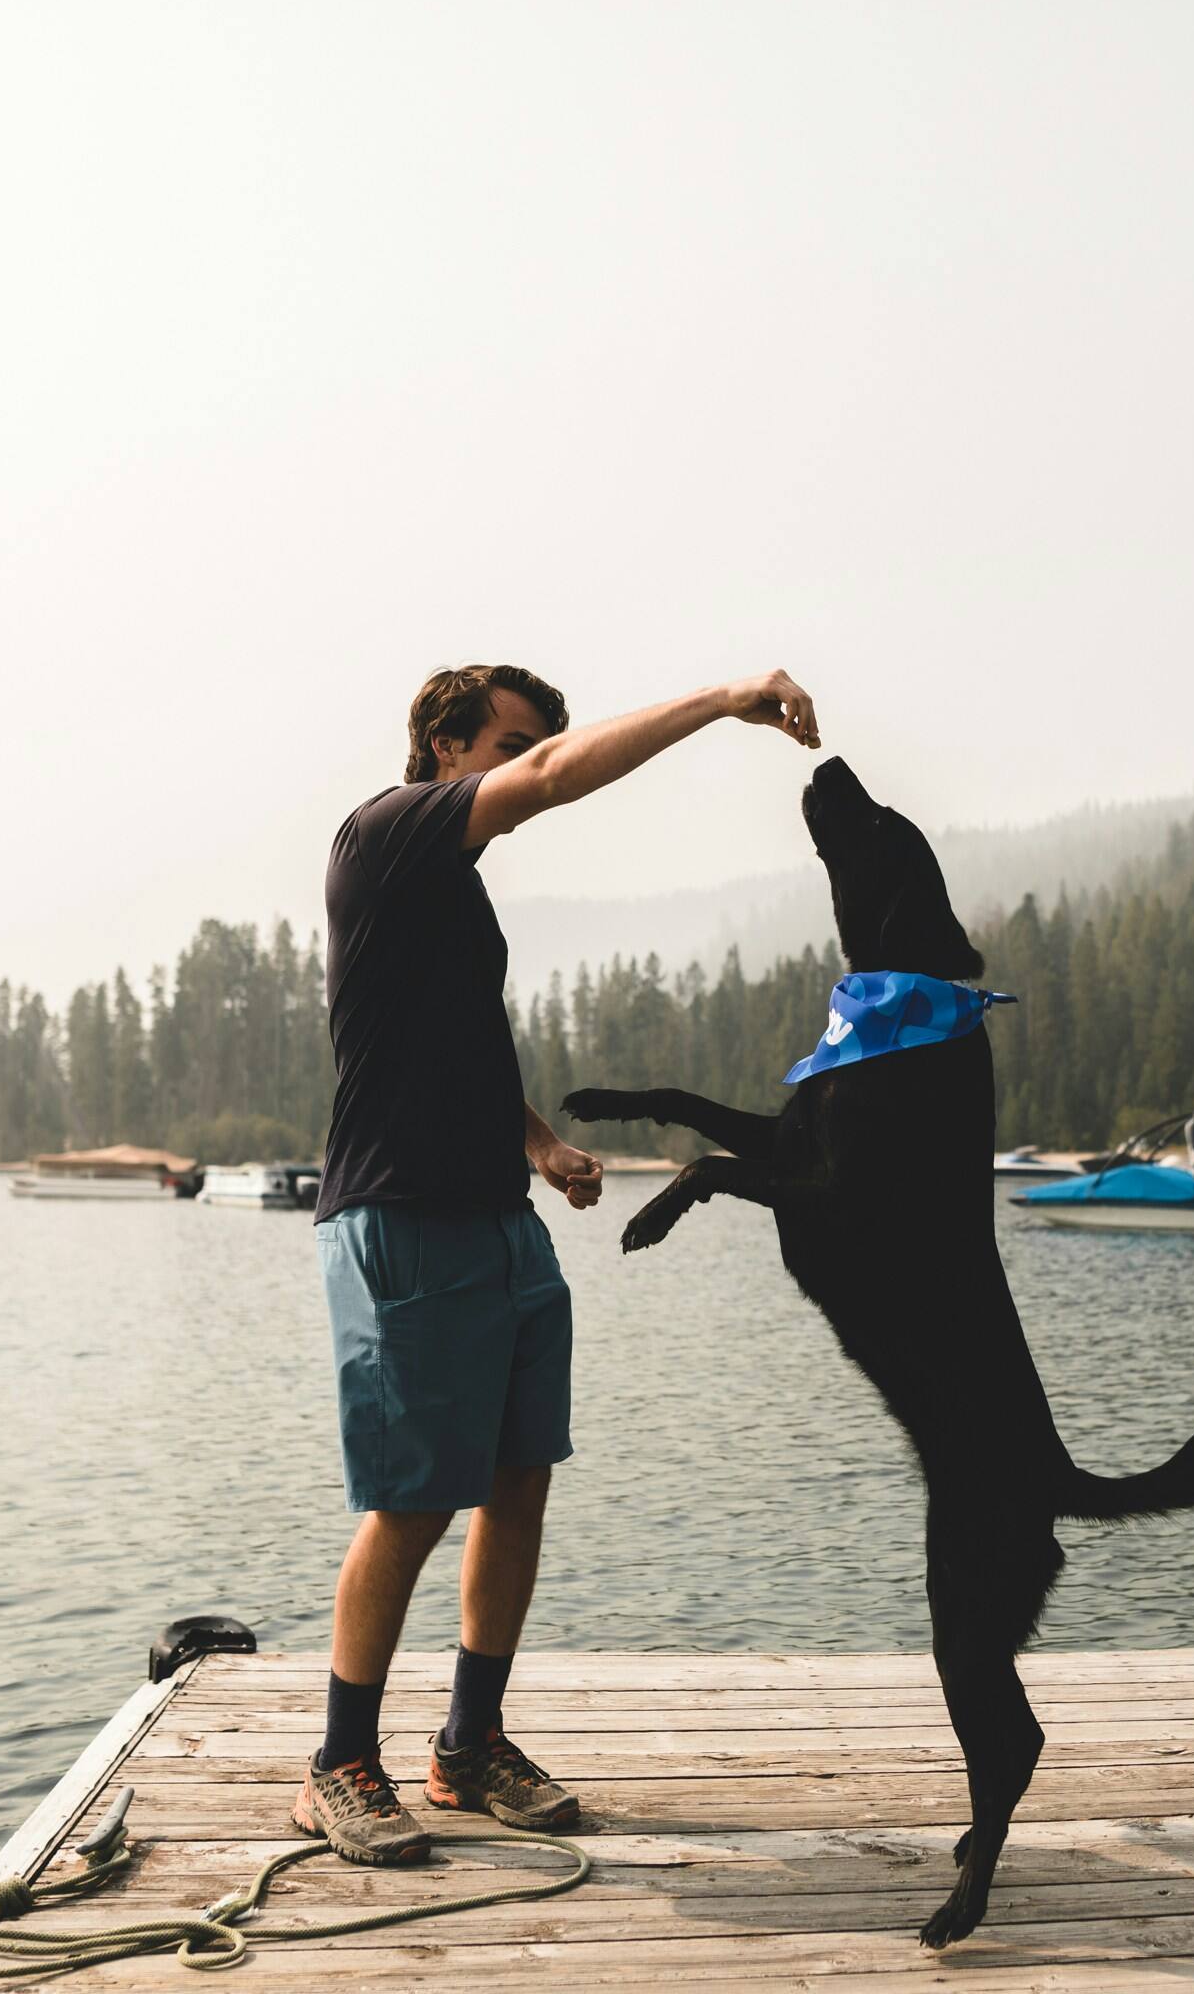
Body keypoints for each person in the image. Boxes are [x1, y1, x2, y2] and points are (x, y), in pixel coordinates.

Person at [295, 659, 822, 1864]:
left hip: (494, 1217)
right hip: (402, 1218)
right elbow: (542, 783)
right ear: (440, 743)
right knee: (415, 1500)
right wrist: (722, 699)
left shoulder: (454, 894)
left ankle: (467, 1746)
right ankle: (337, 1763)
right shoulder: (383, 837)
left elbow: (461, 1047)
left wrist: (538, 1144)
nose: (522, 764)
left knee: (520, 1475)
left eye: (528, 742)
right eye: (508, 740)